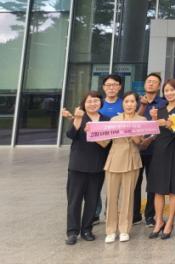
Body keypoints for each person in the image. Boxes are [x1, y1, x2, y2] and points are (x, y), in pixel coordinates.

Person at [62, 91, 109, 245]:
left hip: (97, 166)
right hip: (78, 165)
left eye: (96, 101)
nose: (93, 104)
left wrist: (95, 133)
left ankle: (87, 230)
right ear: (84, 104)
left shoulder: (106, 120)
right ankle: (72, 232)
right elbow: (71, 135)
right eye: (89, 101)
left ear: (101, 103)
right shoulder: (80, 117)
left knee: (92, 200)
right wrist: (77, 119)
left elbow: (108, 142)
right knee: (74, 200)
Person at [103, 91, 146, 243]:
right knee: (111, 197)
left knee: (127, 197)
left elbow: (140, 142)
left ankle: (124, 229)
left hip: (132, 160)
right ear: (122, 103)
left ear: (136, 104)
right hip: (114, 160)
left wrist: (131, 130)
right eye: (126, 101)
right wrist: (91, 133)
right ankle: (110, 230)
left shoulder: (141, 119)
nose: (129, 104)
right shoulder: (114, 119)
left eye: (132, 101)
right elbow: (105, 140)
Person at [147, 79, 175, 239]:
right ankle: (159, 221)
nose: (169, 93)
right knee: (158, 189)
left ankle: (169, 222)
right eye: (166, 90)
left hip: (174, 151)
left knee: (172, 190)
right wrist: (153, 120)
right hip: (158, 151)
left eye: (172, 90)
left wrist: (170, 125)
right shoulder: (160, 109)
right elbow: (153, 132)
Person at [135, 73, 166, 226]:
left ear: (159, 86)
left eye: (154, 82)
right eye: (148, 81)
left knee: (153, 183)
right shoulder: (135, 101)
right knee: (135, 182)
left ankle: (150, 215)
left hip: (155, 148)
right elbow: (132, 121)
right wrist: (142, 105)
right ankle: (134, 215)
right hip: (136, 148)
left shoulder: (163, 103)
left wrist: (151, 138)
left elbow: (163, 125)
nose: (151, 84)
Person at [94, 74, 124, 225]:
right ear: (103, 87)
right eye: (108, 85)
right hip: (99, 147)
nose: (111, 88)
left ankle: (110, 213)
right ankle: (95, 213)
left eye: (114, 85)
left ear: (119, 87)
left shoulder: (124, 103)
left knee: (114, 183)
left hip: (118, 147)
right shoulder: (97, 103)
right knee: (96, 181)